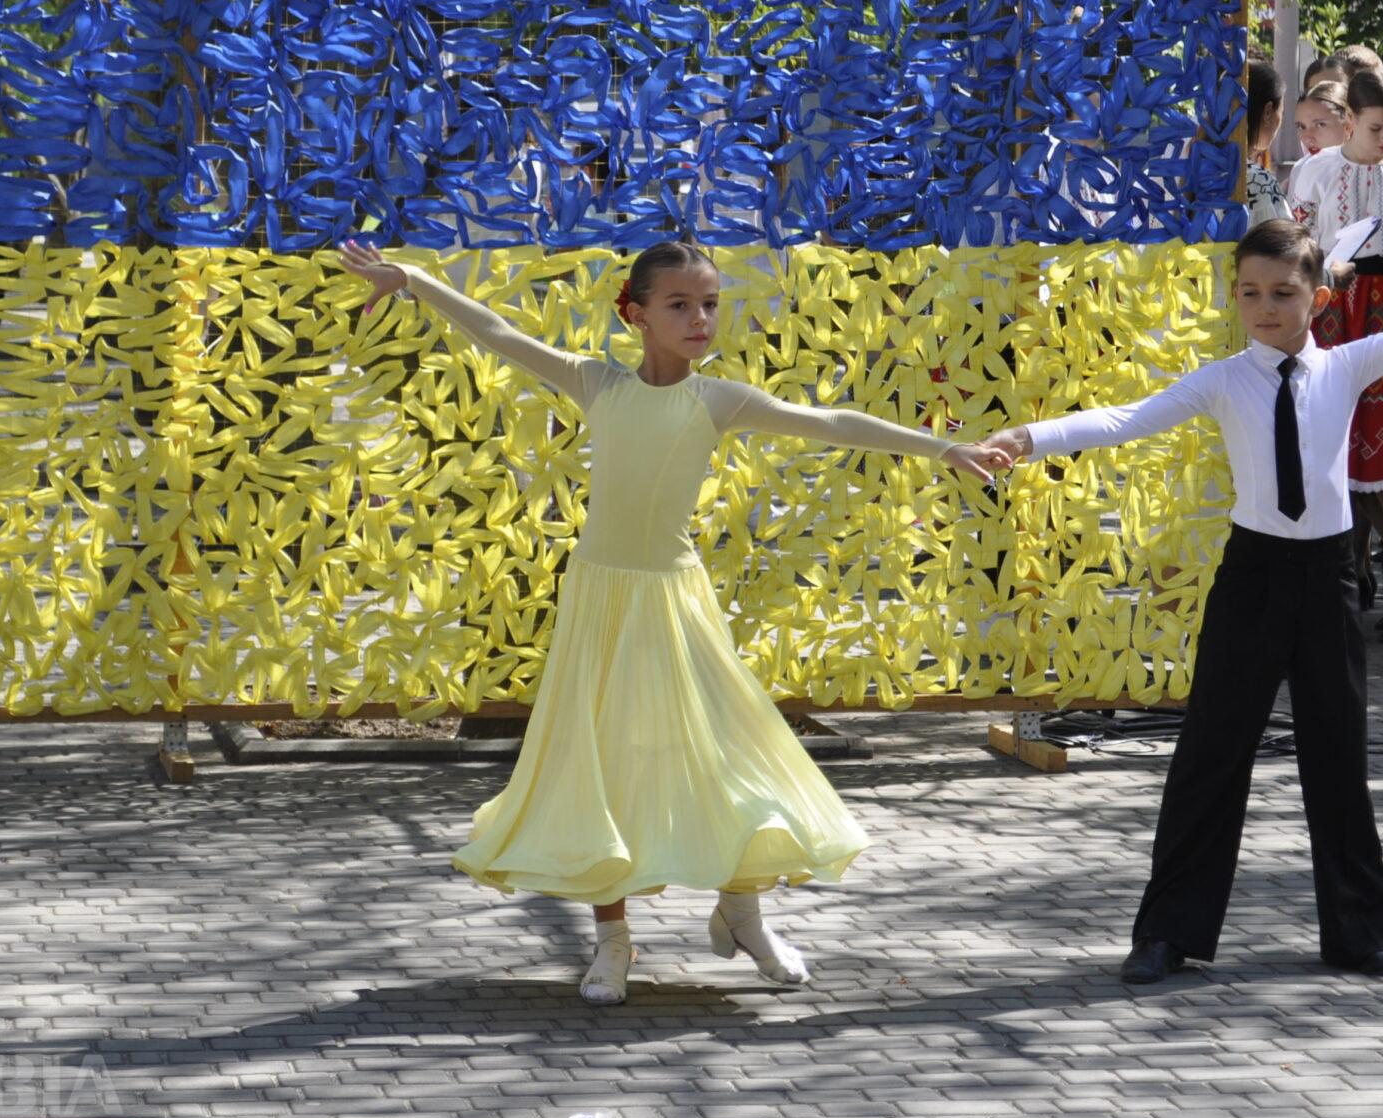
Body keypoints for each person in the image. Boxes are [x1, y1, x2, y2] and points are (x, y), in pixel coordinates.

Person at [334, 237, 1008, 1004]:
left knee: (727, 753)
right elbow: (498, 334)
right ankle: (612, 942)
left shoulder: (717, 400)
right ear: (636, 315)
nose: (700, 318)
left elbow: (831, 421)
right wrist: (417, 279)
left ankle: (744, 914)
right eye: (680, 305)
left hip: (675, 598)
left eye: (711, 304)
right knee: (604, 764)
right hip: (601, 602)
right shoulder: (598, 384)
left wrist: (944, 446)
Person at [978, 217, 1383, 984]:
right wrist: (1029, 439)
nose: (1266, 307)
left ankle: (1360, 934)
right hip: (1253, 577)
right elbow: (1125, 420)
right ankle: (1167, 932)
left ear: (1317, 298)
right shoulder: (1223, 379)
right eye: (1251, 293)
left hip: (1327, 579)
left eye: (1283, 293)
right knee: (1210, 753)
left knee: (1338, 755)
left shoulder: (1349, 364)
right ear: (1235, 297)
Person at [1286, 66, 1383, 640]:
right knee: (1342, 456)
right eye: (1378, 128)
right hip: (1335, 307)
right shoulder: (1316, 171)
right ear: (1349, 121)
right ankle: (1354, 585)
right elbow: (1300, 243)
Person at [1240, 61, 1288, 224]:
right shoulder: (1257, 179)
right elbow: (1281, 243)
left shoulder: (1185, 162)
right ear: (1268, 112)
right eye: (1282, 111)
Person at [1292, 79, 1352, 158]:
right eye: (1301, 127)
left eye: (1320, 125)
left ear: (1348, 127)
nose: (1307, 138)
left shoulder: (1370, 168)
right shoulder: (1301, 168)